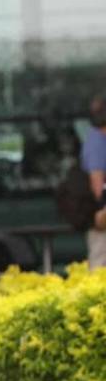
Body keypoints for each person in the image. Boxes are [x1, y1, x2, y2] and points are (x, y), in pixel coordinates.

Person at [83, 94, 106, 270]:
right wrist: (102, 208)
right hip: (101, 215)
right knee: (100, 267)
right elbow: (96, 181)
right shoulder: (97, 141)